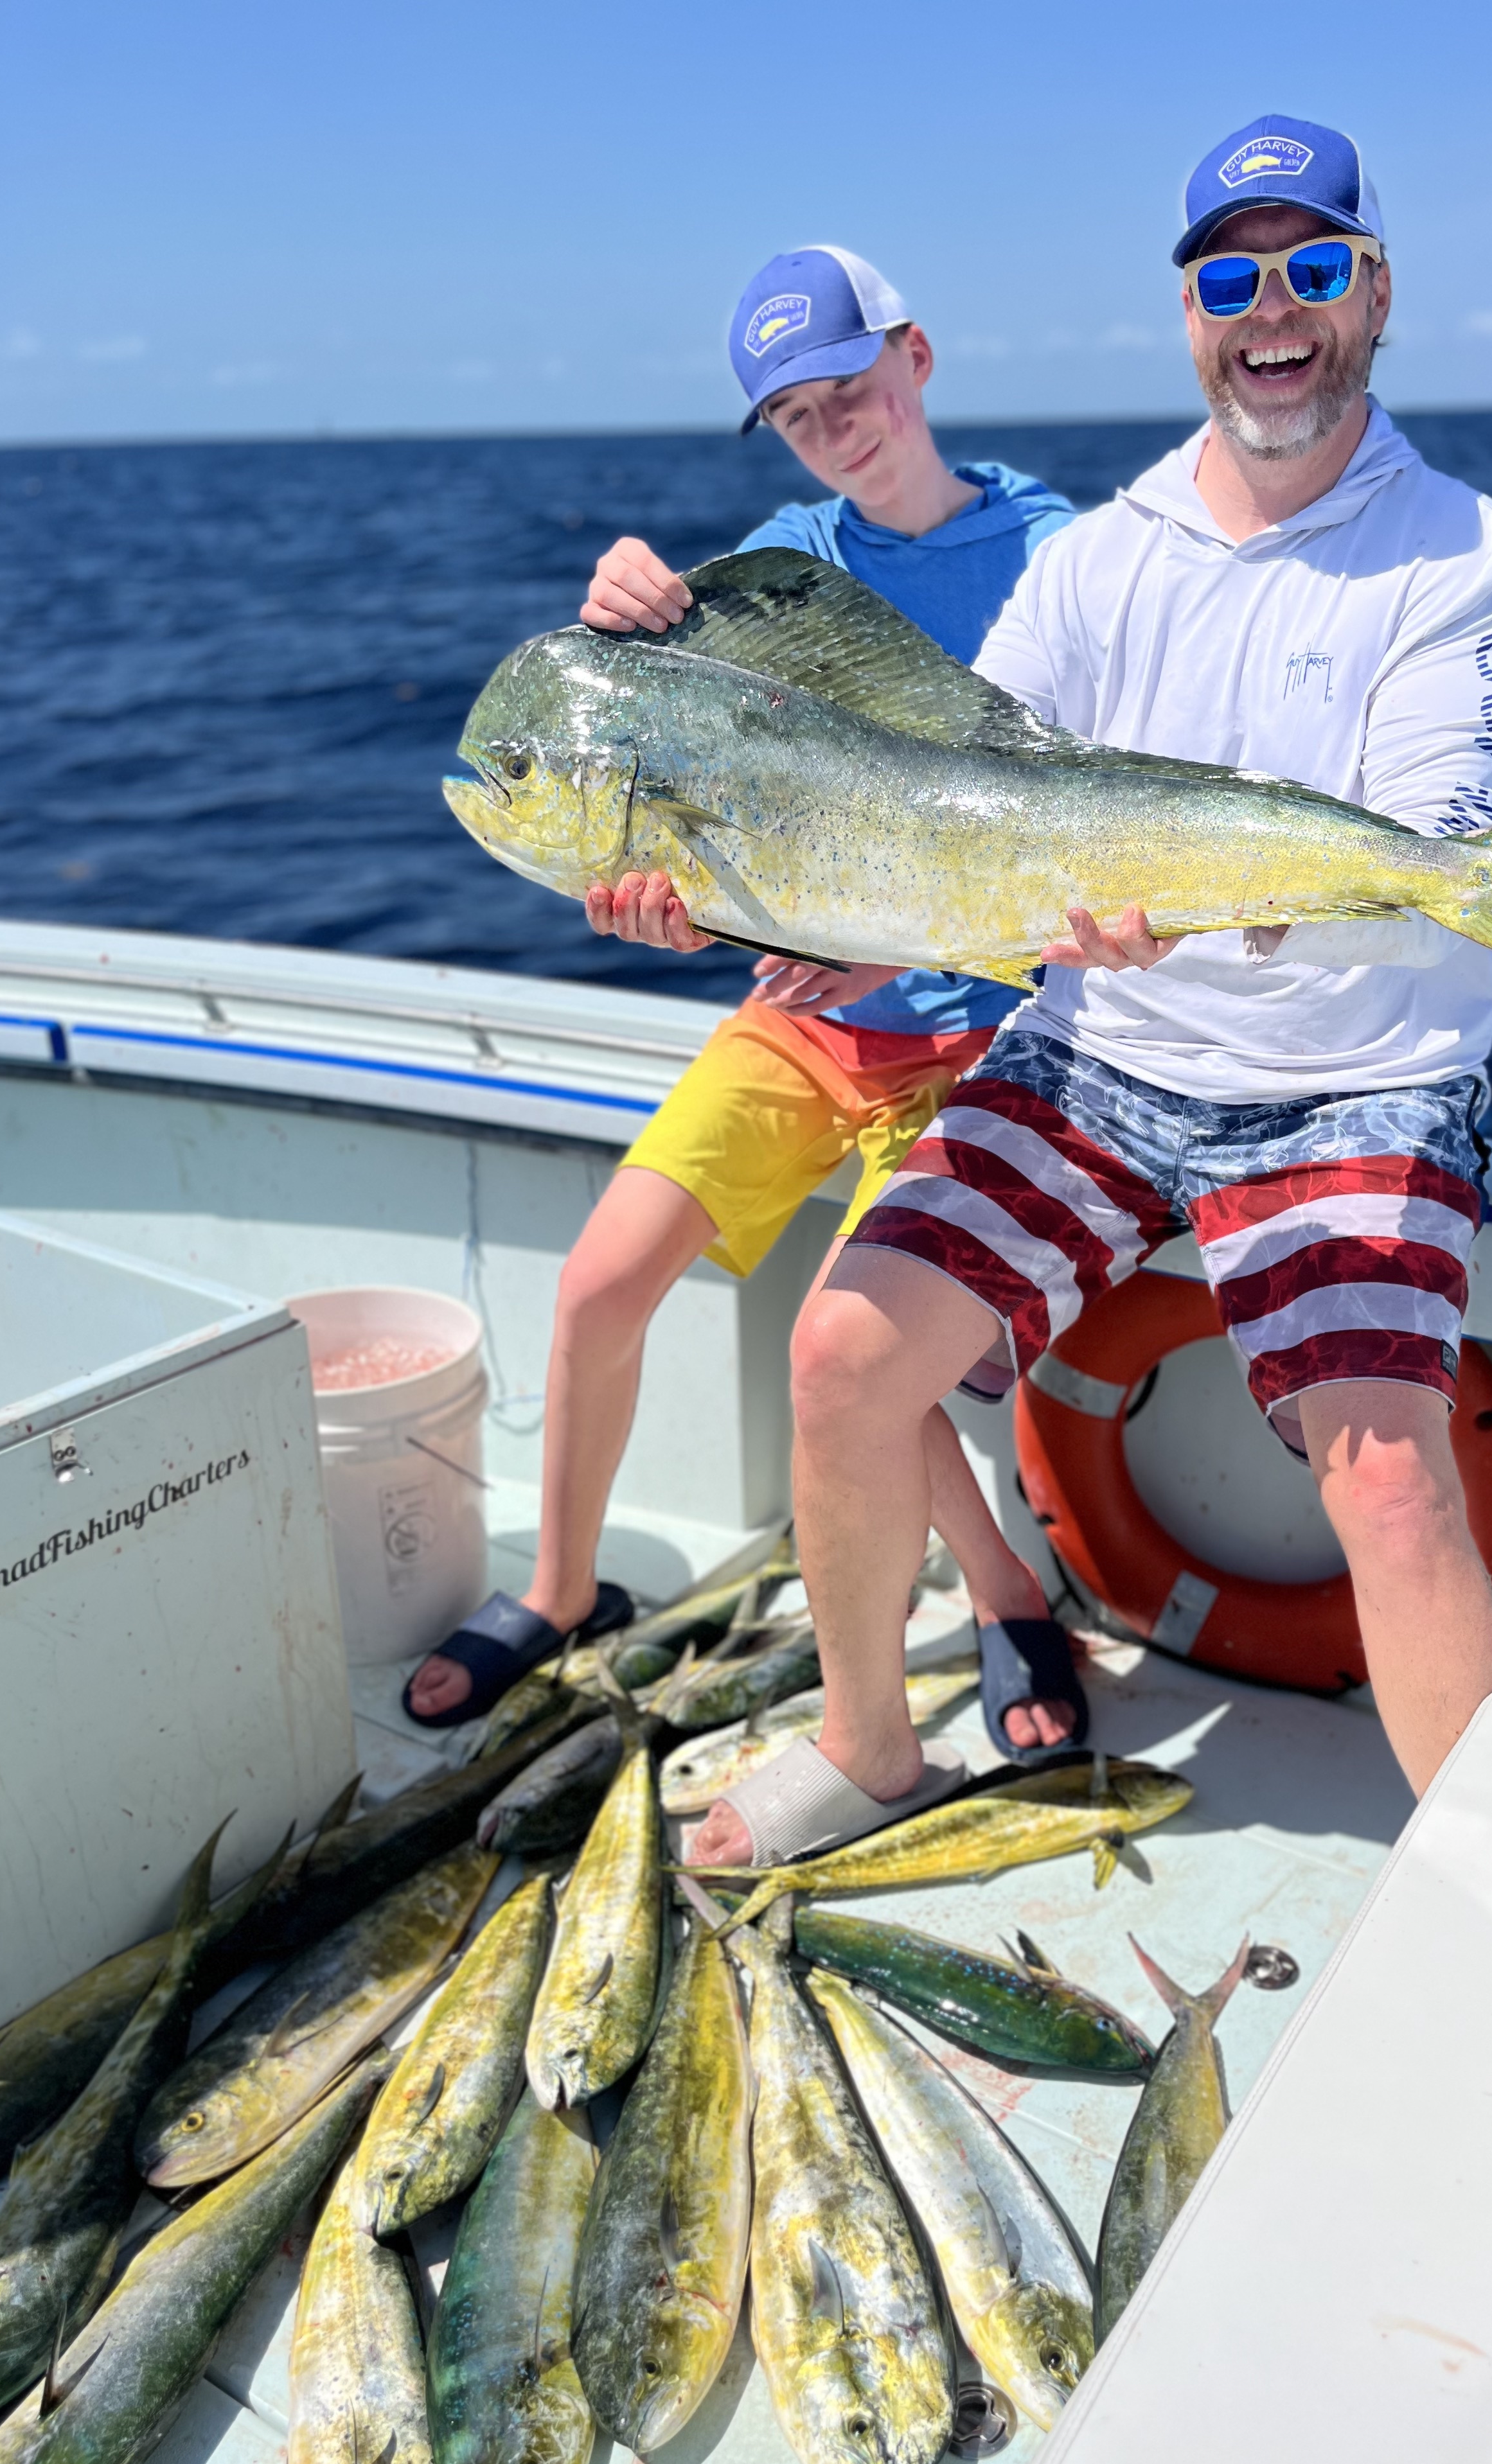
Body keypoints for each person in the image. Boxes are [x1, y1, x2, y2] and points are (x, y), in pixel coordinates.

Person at [687, 113, 1492, 1869]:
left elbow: (1429, 855)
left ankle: (1490, 1905)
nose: (1272, 309)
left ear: (1375, 292)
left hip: (1357, 1078)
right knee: (844, 1354)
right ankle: (871, 1744)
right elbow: (963, 801)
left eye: (1314, 268)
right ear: (1188, 315)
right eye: (1231, 277)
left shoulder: (1465, 558)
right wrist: (728, 903)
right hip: (1103, 1044)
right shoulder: (1101, 560)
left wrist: (1172, 891)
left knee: (1385, 1470)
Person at [405, 245, 1088, 1783]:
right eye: (795, 414)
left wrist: (922, 958)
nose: (835, 430)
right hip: (804, 1017)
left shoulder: (1078, 557)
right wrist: (622, 604)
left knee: (853, 1349)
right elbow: (688, 788)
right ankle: (563, 1591)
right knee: (595, 1288)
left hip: (980, 1036)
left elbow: (1080, 853)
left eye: (851, 389)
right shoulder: (782, 557)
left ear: (917, 358)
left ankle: (1007, 1594)